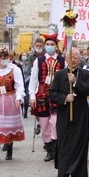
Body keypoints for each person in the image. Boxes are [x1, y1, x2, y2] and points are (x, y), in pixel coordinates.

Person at [50, 48, 89, 177]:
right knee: (64, 142)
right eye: (70, 57)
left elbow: (88, 90)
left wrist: (75, 82)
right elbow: (52, 94)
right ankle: (63, 173)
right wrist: (64, 98)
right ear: (66, 59)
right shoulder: (59, 74)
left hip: (80, 114)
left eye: (75, 58)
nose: (73, 60)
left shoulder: (85, 73)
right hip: (64, 113)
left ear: (79, 60)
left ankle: (77, 174)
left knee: (79, 142)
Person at [29, 34, 65, 162]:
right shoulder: (38, 61)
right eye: (48, 44)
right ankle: (48, 148)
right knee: (44, 125)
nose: (50, 47)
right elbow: (33, 80)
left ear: (56, 46)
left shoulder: (62, 60)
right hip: (42, 96)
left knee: (55, 123)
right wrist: (32, 96)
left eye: (52, 44)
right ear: (45, 46)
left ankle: (56, 148)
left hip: (57, 95)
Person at [18, 51, 30, 118]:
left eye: (25, 55)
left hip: (27, 82)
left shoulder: (29, 64)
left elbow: (30, 74)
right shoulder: (19, 64)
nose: (24, 57)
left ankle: (26, 112)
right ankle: (21, 111)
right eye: (23, 55)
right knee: (21, 97)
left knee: (26, 97)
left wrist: (25, 81)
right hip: (20, 82)